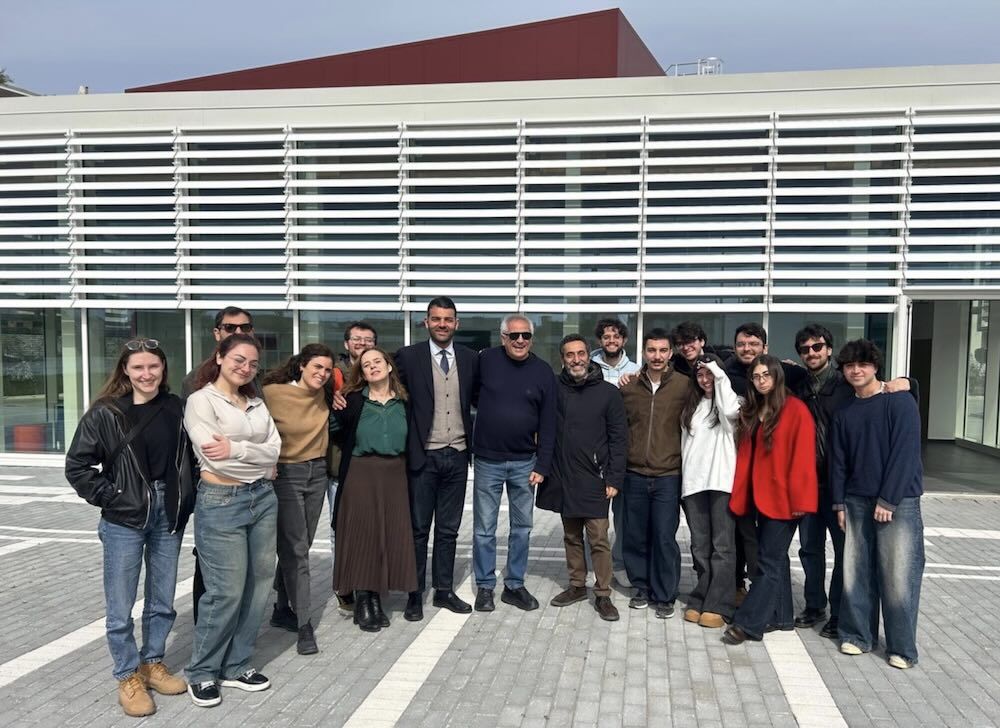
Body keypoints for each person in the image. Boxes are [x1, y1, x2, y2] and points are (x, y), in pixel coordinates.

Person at [65, 338, 195, 717]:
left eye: (153, 366)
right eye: (138, 367)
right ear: (125, 369)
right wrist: (111, 496)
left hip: (167, 512)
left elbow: (189, 459)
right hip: (124, 516)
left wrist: (186, 499)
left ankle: (152, 663)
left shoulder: (176, 407)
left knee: (162, 598)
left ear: (163, 368)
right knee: (121, 605)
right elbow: (77, 466)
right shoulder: (106, 413)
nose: (146, 374)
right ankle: (127, 675)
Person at [790, 324, 917, 640]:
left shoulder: (848, 384)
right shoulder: (797, 384)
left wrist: (910, 382)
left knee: (846, 553)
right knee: (810, 549)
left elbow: (888, 393)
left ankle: (840, 613)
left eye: (817, 347)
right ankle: (814, 605)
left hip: (843, 487)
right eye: (804, 349)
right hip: (810, 484)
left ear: (829, 350)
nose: (811, 353)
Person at [183, 334, 280, 708]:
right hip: (221, 501)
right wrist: (256, 457)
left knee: (259, 585)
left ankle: (237, 664)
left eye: (253, 363)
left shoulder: (256, 402)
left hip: (262, 498)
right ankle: (202, 671)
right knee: (226, 591)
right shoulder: (201, 401)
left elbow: (275, 451)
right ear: (220, 357)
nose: (246, 368)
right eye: (239, 359)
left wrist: (238, 449)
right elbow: (214, 455)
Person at [829, 339, 925, 670]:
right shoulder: (845, 412)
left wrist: (889, 499)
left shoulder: (900, 402)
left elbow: (906, 453)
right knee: (856, 570)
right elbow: (838, 463)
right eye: (849, 366)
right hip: (855, 500)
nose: (856, 371)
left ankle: (902, 648)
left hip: (898, 501)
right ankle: (858, 636)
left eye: (863, 365)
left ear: (875, 367)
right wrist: (838, 503)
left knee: (898, 573)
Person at [394, 297, 479, 621]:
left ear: (457, 323)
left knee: (448, 530)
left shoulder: (470, 358)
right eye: (436, 318)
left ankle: (443, 590)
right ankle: (414, 594)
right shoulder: (408, 356)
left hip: (457, 455)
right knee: (418, 529)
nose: (442, 324)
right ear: (426, 322)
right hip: (423, 456)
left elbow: (484, 397)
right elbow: (383, 387)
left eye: (448, 319)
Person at [722, 355, 817, 645]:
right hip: (757, 497)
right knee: (775, 559)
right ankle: (781, 616)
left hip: (785, 500)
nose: (761, 380)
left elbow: (803, 458)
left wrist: (800, 501)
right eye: (756, 376)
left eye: (766, 375)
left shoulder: (796, 410)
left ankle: (749, 623)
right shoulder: (753, 410)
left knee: (767, 562)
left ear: (777, 376)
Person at [537, 334, 628, 622]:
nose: (576, 360)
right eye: (569, 355)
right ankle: (577, 585)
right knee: (571, 536)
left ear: (589, 356)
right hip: (564, 476)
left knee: (598, 538)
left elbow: (619, 439)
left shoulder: (608, 393)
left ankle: (603, 594)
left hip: (596, 478)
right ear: (562, 359)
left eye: (580, 354)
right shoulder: (554, 389)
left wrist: (614, 478)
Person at [472, 314, 557, 612]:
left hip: (525, 463)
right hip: (487, 460)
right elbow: (471, 395)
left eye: (526, 335)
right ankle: (485, 586)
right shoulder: (485, 361)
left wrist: (542, 465)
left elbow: (549, 422)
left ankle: (514, 585)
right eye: (514, 335)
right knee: (484, 529)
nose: (520, 340)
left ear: (531, 338)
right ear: (503, 337)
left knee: (522, 528)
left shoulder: (543, 371)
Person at [330, 347, 417, 632]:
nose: (372, 367)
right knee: (363, 534)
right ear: (362, 373)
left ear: (389, 366)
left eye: (377, 361)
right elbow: (333, 428)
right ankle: (363, 600)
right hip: (361, 472)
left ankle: (376, 598)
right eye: (366, 365)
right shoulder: (353, 400)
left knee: (387, 535)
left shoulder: (405, 401)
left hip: (395, 475)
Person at [180, 305, 257, 624]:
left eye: (245, 328)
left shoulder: (255, 376)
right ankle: (207, 632)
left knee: (247, 564)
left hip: (254, 488)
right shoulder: (197, 381)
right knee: (211, 564)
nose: (238, 333)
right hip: (217, 487)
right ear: (217, 333)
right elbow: (205, 442)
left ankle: (236, 630)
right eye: (230, 328)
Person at [262, 343, 336, 655]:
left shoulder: (325, 393)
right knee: (296, 550)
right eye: (317, 367)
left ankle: (282, 607)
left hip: (317, 472)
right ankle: (304, 624)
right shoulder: (272, 393)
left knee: (299, 545)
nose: (322, 373)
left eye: (328, 369)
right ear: (302, 365)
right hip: (286, 474)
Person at [619, 328, 688, 619]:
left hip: (668, 475)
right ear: (644, 353)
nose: (657, 356)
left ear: (670, 353)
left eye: (662, 350)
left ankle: (665, 594)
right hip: (634, 473)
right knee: (635, 535)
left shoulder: (684, 386)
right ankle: (641, 587)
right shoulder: (629, 387)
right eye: (651, 350)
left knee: (663, 537)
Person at [679, 353, 740, 629]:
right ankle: (701, 596)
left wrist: (718, 374)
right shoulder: (691, 406)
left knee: (722, 546)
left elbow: (730, 412)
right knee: (700, 546)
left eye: (709, 374)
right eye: (700, 374)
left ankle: (719, 603)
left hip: (721, 483)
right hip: (694, 484)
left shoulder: (730, 402)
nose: (705, 379)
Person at [326, 321, 378, 614]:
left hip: (369, 467)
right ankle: (344, 585)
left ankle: (366, 584)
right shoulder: (331, 375)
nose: (362, 343)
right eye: (357, 339)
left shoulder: (378, 374)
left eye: (368, 339)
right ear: (346, 344)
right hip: (338, 465)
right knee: (341, 529)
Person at [590, 317, 640, 588]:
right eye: (606, 336)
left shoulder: (636, 370)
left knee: (623, 517)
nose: (611, 341)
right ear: (600, 340)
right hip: (593, 453)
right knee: (593, 515)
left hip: (623, 453)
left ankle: (619, 564)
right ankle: (596, 565)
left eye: (616, 336)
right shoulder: (587, 365)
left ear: (624, 340)